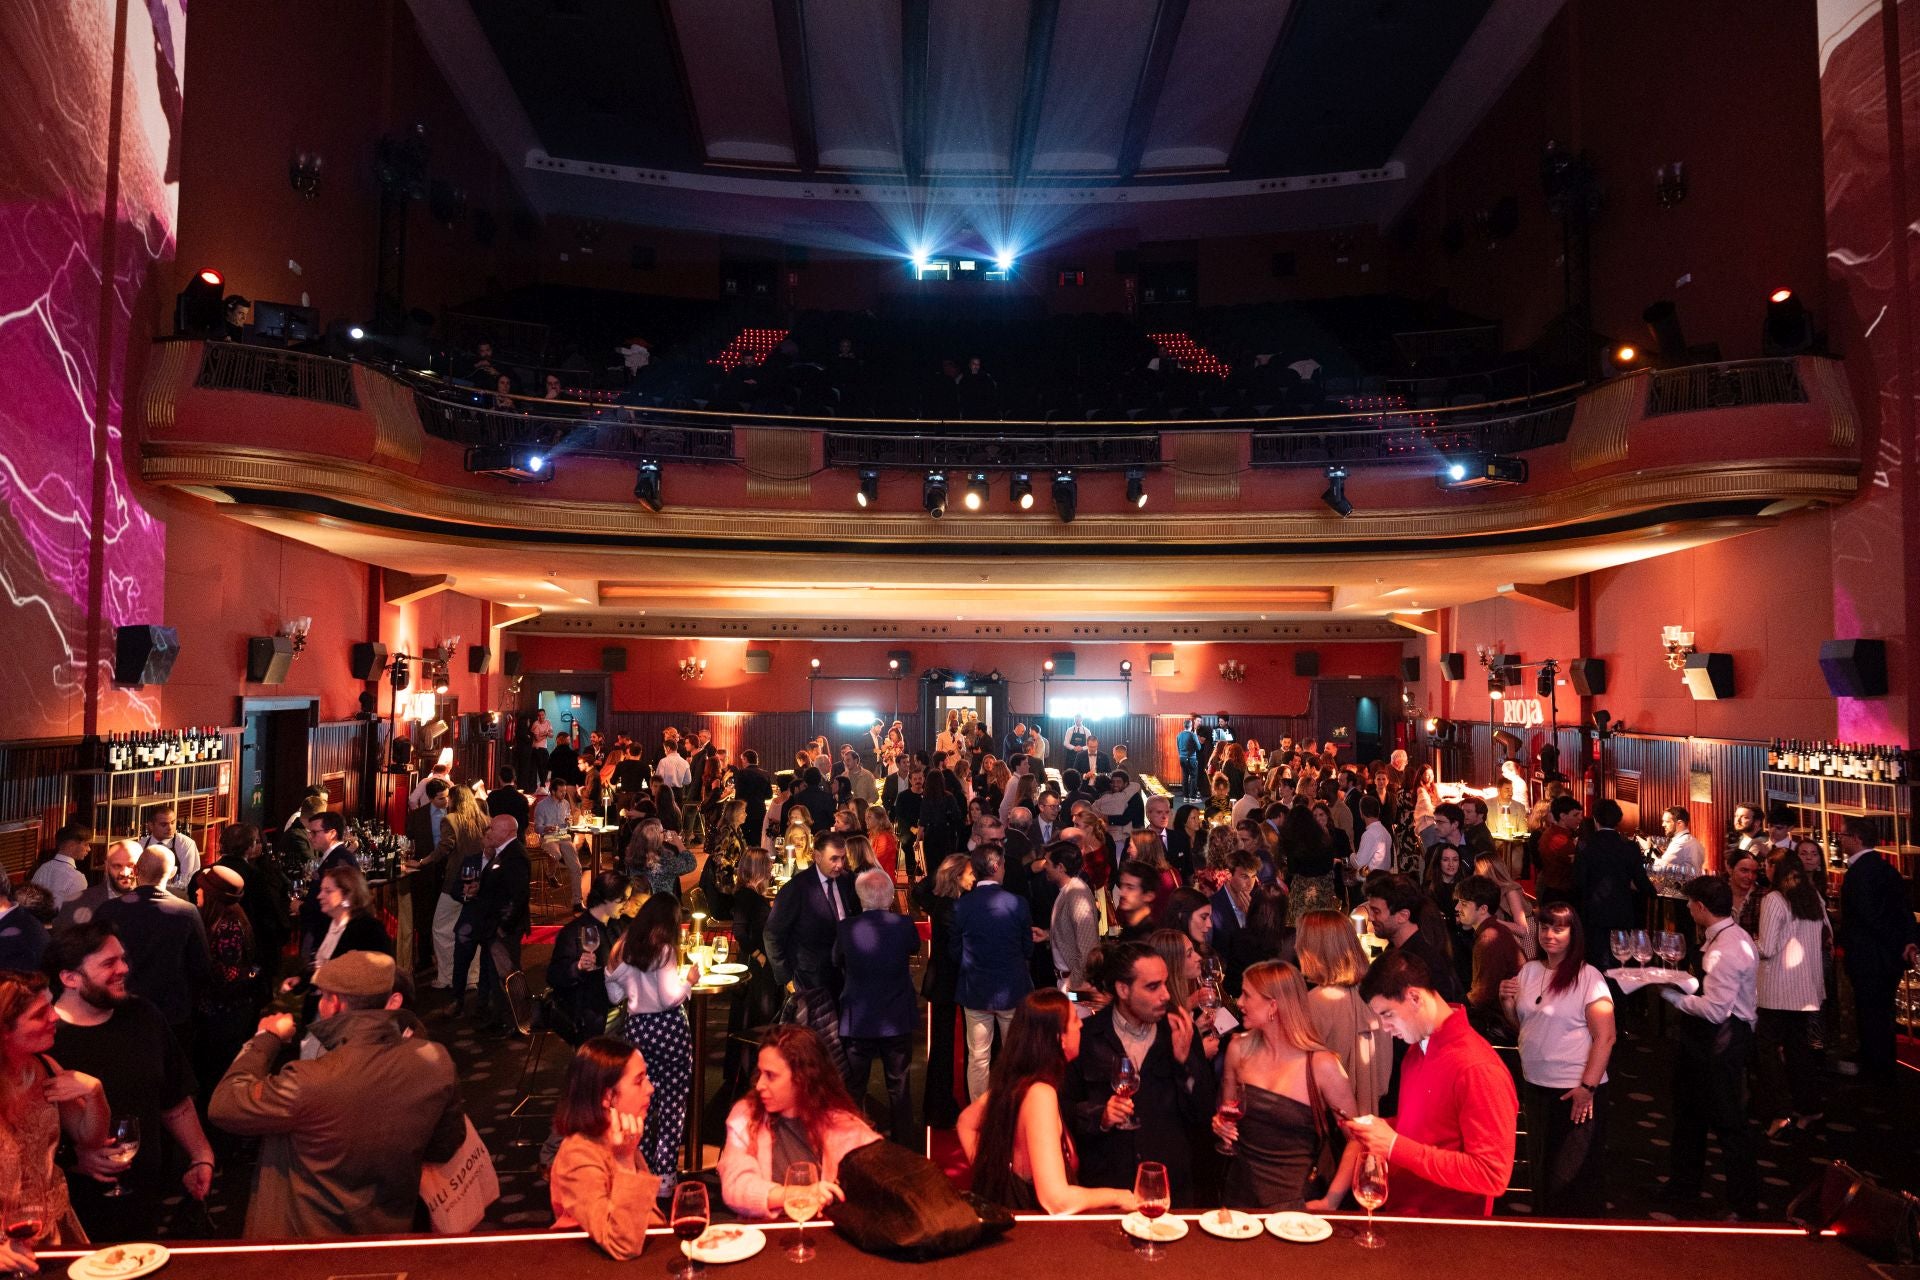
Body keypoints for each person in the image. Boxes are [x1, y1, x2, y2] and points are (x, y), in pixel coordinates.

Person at [47, 922, 216, 1242]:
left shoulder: (144, 1015)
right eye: (109, 963)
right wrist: (71, 1160)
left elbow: (173, 1098)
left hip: (146, 1196)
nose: (124, 968)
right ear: (69, 978)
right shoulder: (46, 1039)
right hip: (76, 1207)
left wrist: (200, 1155)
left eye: (122, 958)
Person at [1346, 950, 1517, 1216]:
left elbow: (1492, 1175)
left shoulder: (1478, 1068)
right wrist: (1380, 1128)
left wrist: (1393, 1145)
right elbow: (1431, 1130)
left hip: (1448, 1233)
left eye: (1388, 1014)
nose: (1384, 1026)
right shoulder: (1418, 1049)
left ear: (1414, 997)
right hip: (1405, 1214)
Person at [958, 990, 1138, 1214]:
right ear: (1059, 1038)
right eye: (1074, 1020)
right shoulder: (1041, 1094)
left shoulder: (1019, 1079)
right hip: (1036, 1238)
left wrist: (993, 1175)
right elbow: (1056, 1200)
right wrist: (1119, 1196)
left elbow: (966, 1122)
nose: (1081, 1025)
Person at [1065, 942, 1215, 1206]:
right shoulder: (1088, 1036)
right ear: (1123, 989)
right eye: (1152, 986)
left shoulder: (1179, 1031)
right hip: (1108, 1185)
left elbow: (1202, 1113)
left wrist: (1185, 1063)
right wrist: (1101, 1115)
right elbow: (1065, 1111)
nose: (1166, 995)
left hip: (1169, 1186)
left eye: (1165, 983)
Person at [1498, 901, 1615, 1217]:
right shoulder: (1529, 971)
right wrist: (1507, 1004)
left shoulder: (1588, 977)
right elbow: (1526, 1029)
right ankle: (1546, 1245)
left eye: (1559, 928)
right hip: (1537, 1085)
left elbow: (1606, 1037)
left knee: (1572, 1179)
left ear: (1572, 934)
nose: (1550, 934)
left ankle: (1578, 1250)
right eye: (1546, 927)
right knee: (1543, 1171)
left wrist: (1587, 1088)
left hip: (1574, 1090)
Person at [1214, 961, 1359, 1212]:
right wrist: (1220, 1124)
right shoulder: (1238, 1049)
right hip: (1238, 1195)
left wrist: (1332, 1200)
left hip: (1295, 1203)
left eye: (1247, 995)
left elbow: (1358, 1138)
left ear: (1273, 1005)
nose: (1238, 1002)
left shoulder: (1321, 1065)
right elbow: (1226, 1111)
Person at [1656, 874, 1759, 1218]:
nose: (1687, 908)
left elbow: (1715, 1011)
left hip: (1719, 1040)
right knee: (1690, 1114)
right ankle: (1684, 1186)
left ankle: (1742, 1204)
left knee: (1727, 1121)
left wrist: (1673, 996)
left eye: (1689, 904)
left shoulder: (1724, 950)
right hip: (1721, 1037)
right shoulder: (1734, 936)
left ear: (1700, 908)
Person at [717, 1025, 880, 1219]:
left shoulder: (842, 1125)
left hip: (825, 1239)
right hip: (765, 1238)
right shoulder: (746, 1115)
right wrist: (798, 1194)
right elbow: (735, 1186)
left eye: (771, 1076)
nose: (759, 1085)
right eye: (760, 1073)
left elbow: (877, 1184)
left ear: (803, 1078)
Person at [0, 970, 110, 1249]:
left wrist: (95, 1093)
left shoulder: (45, 1067)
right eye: (40, 1014)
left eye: (50, 1006)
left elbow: (91, 1140)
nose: (55, 1017)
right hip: (7, 1246)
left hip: (56, 1232)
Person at [605, 893, 696, 1196]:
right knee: (672, 1103)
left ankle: (639, 1170)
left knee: (641, 1104)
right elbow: (669, 998)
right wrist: (690, 981)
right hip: (669, 1029)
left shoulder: (625, 948)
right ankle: (665, 1176)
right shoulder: (665, 950)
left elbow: (614, 996)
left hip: (638, 1030)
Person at [549, 1036, 660, 1259]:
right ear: (608, 1096)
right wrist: (625, 1162)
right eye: (639, 1081)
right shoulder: (578, 1154)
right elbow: (622, 1244)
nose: (650, 1088)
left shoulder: (618, 1136)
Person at [833, 868, 919, 1141]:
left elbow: (836, 960)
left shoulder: (847, 928)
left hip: (859, 1018)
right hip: (896, 1016)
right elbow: (915, 947)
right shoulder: (904, 926)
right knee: (899, 1086)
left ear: (860, 898)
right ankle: (903, 1143)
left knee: (854, 1088)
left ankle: (854, 1142)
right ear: (890, 896)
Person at [1835, 813, 1920, 1083]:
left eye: (1843, 836)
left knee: (1870, 1013)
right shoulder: (1887, 868)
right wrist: (1908, 941)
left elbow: (1868, 917)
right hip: (1889, 957)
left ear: (1856, 839)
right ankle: (1882, 1064)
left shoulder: (1860, 873)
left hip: (1869, 956)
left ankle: (1876, 1070)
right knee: (1883, 1013)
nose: (1840, 840)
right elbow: (1903, 909)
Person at [95, 848, 213, 1037]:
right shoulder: (187, 912)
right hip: (171, 1013)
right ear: (173, 872)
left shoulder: (108, 910)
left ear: (136, 870)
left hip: (120, 1009)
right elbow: (201, 967)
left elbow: (92, 959)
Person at [1753, 856, 1828, 1135]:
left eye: (1768, 864)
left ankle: (1780, 1111)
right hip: (1806, 987)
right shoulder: (1813, 898)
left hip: (1778, 989)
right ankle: (1809, 1108)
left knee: (1767, 1050)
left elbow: (1768, 947)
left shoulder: (1775, 899)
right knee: (1798, 1051)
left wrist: (1744, 940)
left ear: (1777, 871)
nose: (1764, 869)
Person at [953, 844, 1034, 1099]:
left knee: (978, 1057)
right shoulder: (1017, 903)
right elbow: (1027, 948)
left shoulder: (962, 906)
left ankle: (979, 1112)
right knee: (1012, 1055)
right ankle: (1010, 1108)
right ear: (997, 867)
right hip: (1011, 990)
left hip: (976, 991)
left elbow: (954, 950)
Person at [1293, 910, 1390, 1116]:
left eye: (1300, 940)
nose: (1295, 946)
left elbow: (1300, 1078)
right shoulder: (1376, 995)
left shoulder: (1314, 1004)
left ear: (1313, 949)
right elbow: (1383, 1076)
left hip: (1332, 1118)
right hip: (1374, 1113)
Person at [451, 815, 530, 1030]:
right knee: (497, 976)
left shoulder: (515, 856)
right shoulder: (504, 853)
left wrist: (504, 927)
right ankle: (500, 1019)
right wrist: (479, 889)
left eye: (493, 828)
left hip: (504, 928)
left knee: (506, 976)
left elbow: (519, 897)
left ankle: (510, 1023)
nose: (490, 831)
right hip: (494, 926)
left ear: (506, 832)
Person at [1572, 799, 1653, 970]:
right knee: (1620, 962)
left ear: (1595, 819)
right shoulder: (1630, 847)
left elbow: (1579, 882)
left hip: (1593, 913)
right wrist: (1652, 891)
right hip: (1622, 913)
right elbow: (1642, 882)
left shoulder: (1586, 845)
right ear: (1618, 820)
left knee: (1595, 963)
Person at [549, 872, 628, 1045]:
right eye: (622, 900)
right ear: (607, 898)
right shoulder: (574, 932)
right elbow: (554, 976)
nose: (626, 905)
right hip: (591, 1014)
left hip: (619, 1007)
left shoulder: (617, 926)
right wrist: (577, 967)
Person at [1365, 873, 1462, 1003]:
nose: (1370, 918)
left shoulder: (1424, 961)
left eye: (1376, 912)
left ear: (1403, 916)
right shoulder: (1396, 949)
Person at [1454, 875, 1524, 1040]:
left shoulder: (1489, 938)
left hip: (1502, 1021)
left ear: (1483, 909)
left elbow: (1483, 995)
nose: (1457, 907)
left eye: (1464, 903)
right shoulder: (1493, 930)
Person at [57, 838, 140, 928]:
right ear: (106, 866)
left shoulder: (153, 904)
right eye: (117, 866)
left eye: (131, 866)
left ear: (143, 866)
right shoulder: (75, 904)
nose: (125, 873)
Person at [142, 805, 200, 897]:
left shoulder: (186, 844)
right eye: (164, 824)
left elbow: (186, 880)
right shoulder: (141, 845)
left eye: (172, 823)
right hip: (146, 896)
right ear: (151, 826)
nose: (170, 828)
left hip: (178, 897)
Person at [31, 825, 90, 910]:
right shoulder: (77, 878)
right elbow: (72, 914)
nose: (89, 849)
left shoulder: (43, 868)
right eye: (86, 844)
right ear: (71, 845)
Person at [1654, 806, 1705, 875]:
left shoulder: (1680, 843)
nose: (1663, 825)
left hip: (1684, 884)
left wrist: (1647, 850)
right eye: (1663, 821)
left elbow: (1659, 868)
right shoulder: (1695, 841)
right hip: (1694, 884)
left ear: (1680, 823)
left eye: (1667, 822)